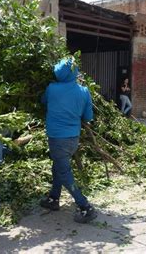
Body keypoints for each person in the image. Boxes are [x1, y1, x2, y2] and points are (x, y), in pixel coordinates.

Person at [40, 58, 97, 224]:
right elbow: (88, 117)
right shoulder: (84, 91)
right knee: (58, 166)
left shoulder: (52, 89)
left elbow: (42, 101)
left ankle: (85, 206)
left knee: (64, 173)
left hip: (57, 139)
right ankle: (53, 199)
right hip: (73, 139)